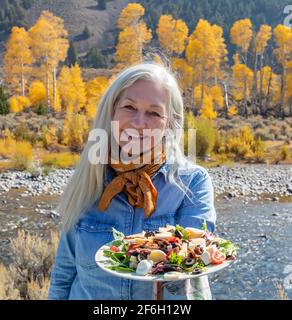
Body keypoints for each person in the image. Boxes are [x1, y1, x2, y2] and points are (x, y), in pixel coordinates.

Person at [48, 62, 216, 300]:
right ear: (112, 111)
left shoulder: (192, 184)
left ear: (170, 123)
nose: (139, 123)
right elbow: (63, 276)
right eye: (129, 107)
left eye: (154, 113)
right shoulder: (88, 178)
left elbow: (193, 271)